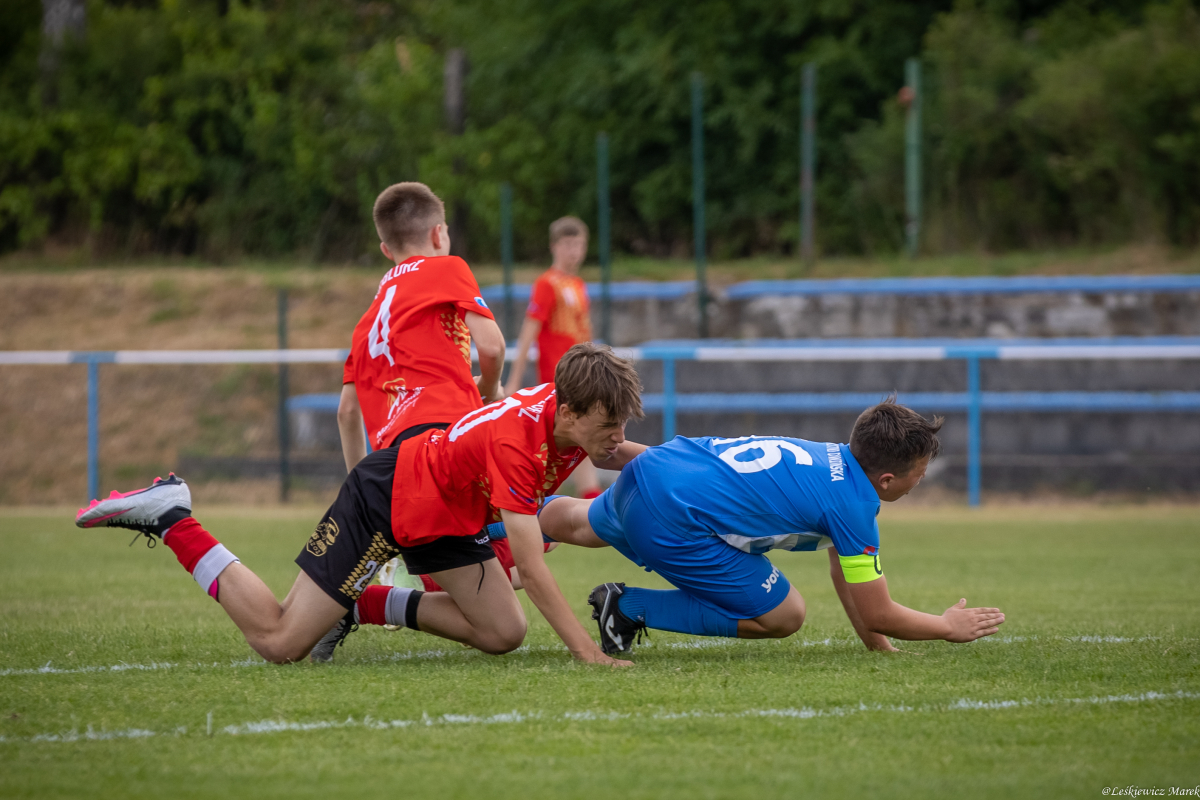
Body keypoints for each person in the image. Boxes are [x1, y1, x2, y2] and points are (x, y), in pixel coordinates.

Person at [76, 344, 646, 667]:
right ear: (568, 412)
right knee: (280, 642)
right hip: (386, 500)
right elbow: (535, 569)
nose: (617, 436)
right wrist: (587, 654)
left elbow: (624, 453)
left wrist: (689, 461)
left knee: (503, 632)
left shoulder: (569, 407)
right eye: (608, 425)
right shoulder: (516, 445)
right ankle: (174, 516)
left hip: (445, 518)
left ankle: (360, 604)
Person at [532, 399, 1006, 654]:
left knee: (577, 524)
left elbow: (846, 574)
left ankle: (505, 522)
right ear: (886, 479)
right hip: (671, 516)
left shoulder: (830, 457)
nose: (919, 482)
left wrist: (877, 646)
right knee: (785, 615)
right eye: (918, 474)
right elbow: (879, 610)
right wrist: (946, 626)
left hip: (654, 469)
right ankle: (627, 607)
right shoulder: (855, 506)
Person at [337, 181, 505, 472]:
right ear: (438, 235)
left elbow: (347, 411)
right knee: (529, 498)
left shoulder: (367, 323)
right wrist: (489, 388)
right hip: (448, 434)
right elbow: (492, 347)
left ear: (386, 250)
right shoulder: (447, 268)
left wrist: (361, 484)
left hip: (393, 462)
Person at [504, 216, 602, 499]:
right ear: (554, 246)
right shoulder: (547, 284)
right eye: (568, 244)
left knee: (579, 444)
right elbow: (529, 332)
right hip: (558, 381)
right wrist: (513, 381)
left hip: (582, 378)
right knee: (567, 445)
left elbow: (584, 331)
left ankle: (583, 505)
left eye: (579, 244)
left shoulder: (578, 284)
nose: (574, 251)